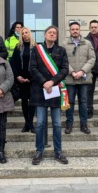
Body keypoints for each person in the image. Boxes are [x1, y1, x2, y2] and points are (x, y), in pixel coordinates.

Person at [30, 25, 69, 166]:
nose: (52, 35)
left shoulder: (61, 51)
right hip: (40, 91)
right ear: (45, 35)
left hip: (55, 91)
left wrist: (52, 81)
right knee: (40, 123)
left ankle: (58, 152)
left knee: (57, 124)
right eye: (50, 33)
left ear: (56, 36)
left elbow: (65, 69)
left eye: (54, 33)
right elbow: (32, 68)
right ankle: (39, 151)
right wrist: (44, 82)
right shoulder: (36, 50)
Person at [63, 21, 95, 135]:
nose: (75, 31)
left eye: (77, 29)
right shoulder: (64, 44)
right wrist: (72, 72)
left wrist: (82, 71)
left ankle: (84, 125)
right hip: (70, 79)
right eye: (73, 29)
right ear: (70, 31)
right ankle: (69, 125)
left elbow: (92, 59)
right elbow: (63, 61)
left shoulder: (87, 43)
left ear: (80, 30)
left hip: (84, 78)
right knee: (70, 102)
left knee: (83, 102)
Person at [10, 27, 37, 133]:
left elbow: (39, 64)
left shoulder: (36, 47)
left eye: (26, 33)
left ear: (30, 34)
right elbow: (13, 63)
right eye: (23, 33)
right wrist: (17, 76)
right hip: (21, 79)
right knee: (24, 101)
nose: (25, 35)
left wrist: (33, 77)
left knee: (33, 101)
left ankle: (30, 123)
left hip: (33, 79)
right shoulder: (18, 47)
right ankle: (27, 124)